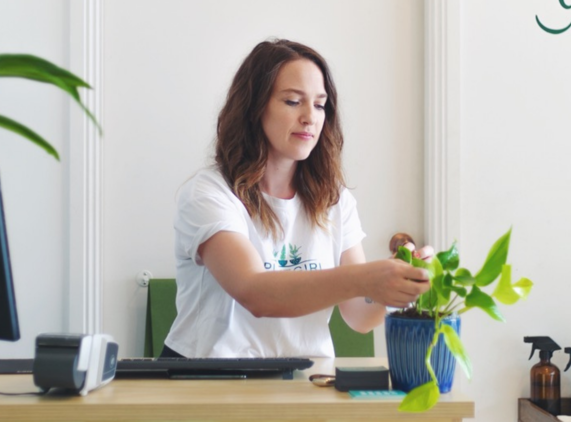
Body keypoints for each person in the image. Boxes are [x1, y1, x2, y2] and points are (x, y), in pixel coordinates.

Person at [162, 39, 431, 358]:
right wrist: (365, 278)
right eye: (292, 101)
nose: (310, 117)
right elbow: (255, 293)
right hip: (210, 384)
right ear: (254, 108)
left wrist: (398, 283)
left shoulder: (334, 199)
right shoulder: (208, 194)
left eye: (319, 105)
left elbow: (359, 316)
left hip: (303, 383)